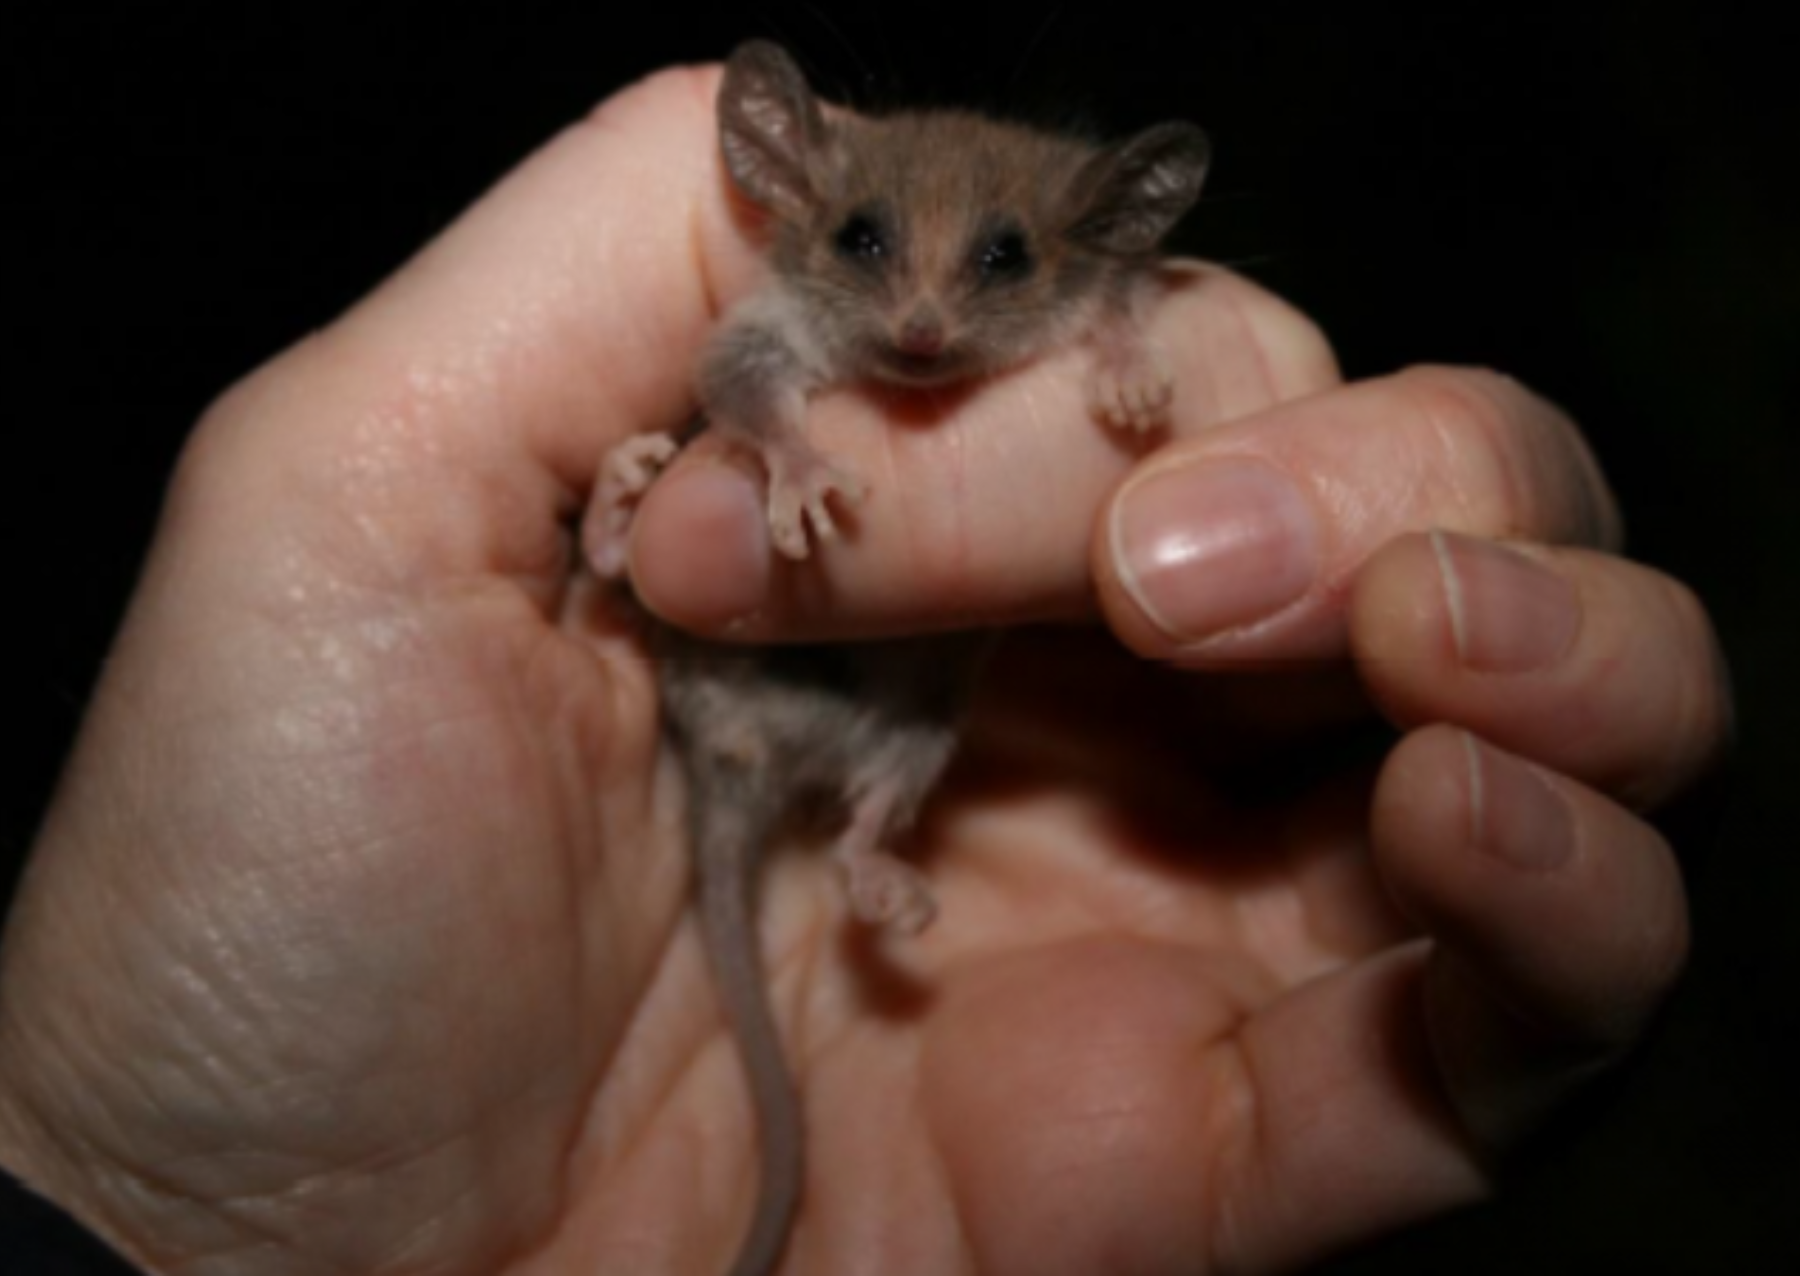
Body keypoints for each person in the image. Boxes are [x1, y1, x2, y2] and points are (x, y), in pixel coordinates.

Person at [0, 62, 1720, 1275]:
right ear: (793, 198)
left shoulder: (1095, 301)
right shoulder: (781, 295)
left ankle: (886, 832)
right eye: (865, 251)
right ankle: (675, 619)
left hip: (875, 734)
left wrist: (1132, 351)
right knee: (731, 538)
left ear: (1084, 251)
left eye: (993, 267)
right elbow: (744, 369)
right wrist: (112, 1211)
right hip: (700, 706)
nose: (912, 320)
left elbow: (1116, 317)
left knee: (942, 666)